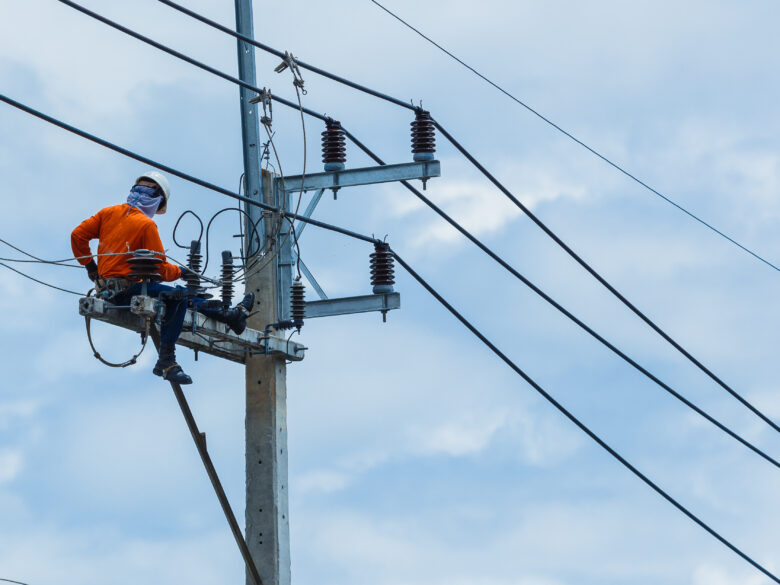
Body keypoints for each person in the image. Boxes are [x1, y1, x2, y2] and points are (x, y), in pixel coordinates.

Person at [71, 170, 254, 385]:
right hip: (128, 292)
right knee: (178, 296)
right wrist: (182, 271)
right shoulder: (146, 225)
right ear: (158, 203)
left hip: (110, 291)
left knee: (180, 295)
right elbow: (161, 270)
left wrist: (91, 267)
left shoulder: (108, 213)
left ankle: (231, 315)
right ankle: (167, 361)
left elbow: (77, 235)